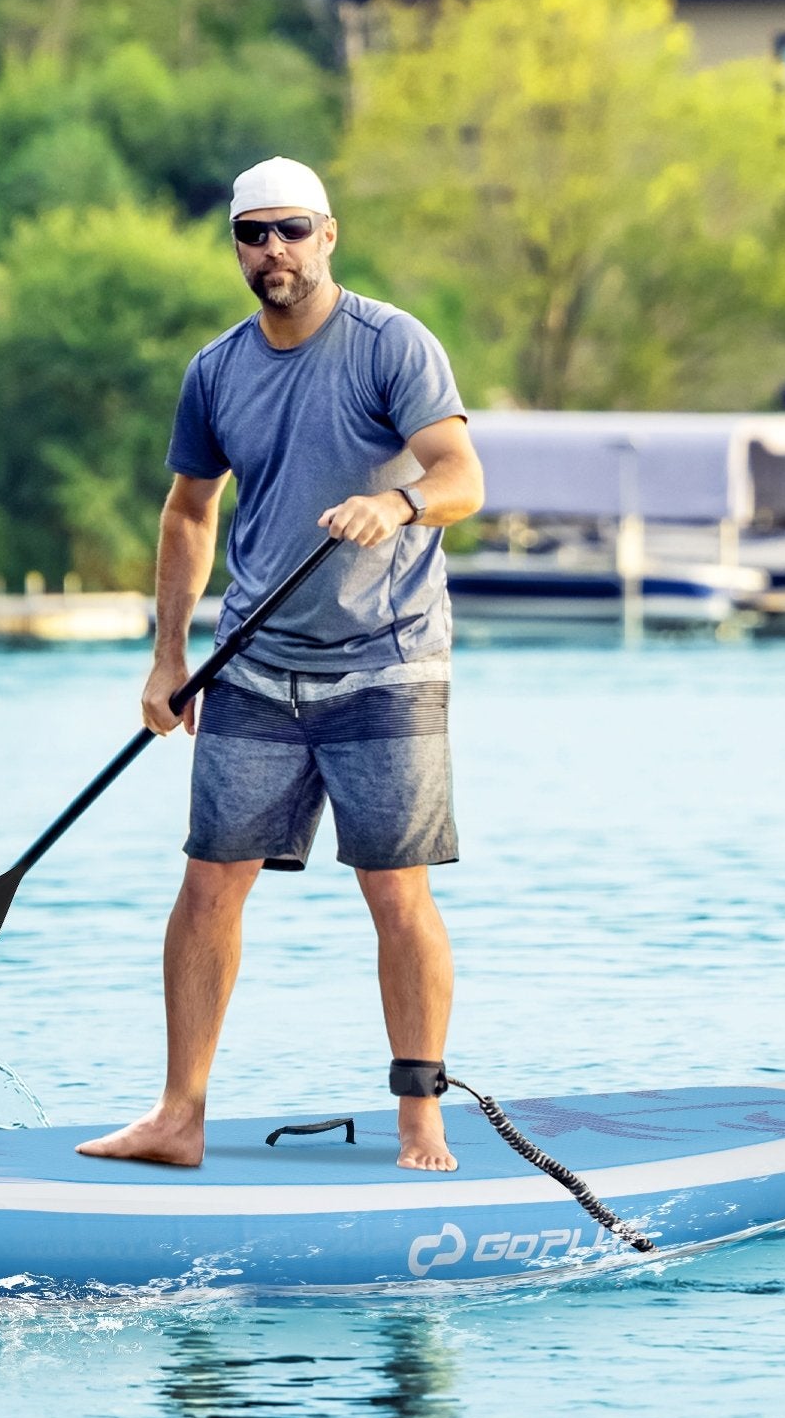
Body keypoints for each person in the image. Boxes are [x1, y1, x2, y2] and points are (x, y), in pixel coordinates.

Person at [76, 156, 484, 1173]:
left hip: (387, 661)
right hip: (252, 664)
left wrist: (396, 505)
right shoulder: (216, 370)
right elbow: (187, 510)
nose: (274, 251)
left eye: (291, 230)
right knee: (208, 883)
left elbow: (460, 475)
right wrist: (167, 658)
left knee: (395, 893)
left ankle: (419, 1118)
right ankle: (178, 1116)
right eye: (253, 234)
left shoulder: (392, 345)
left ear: (329, 234)